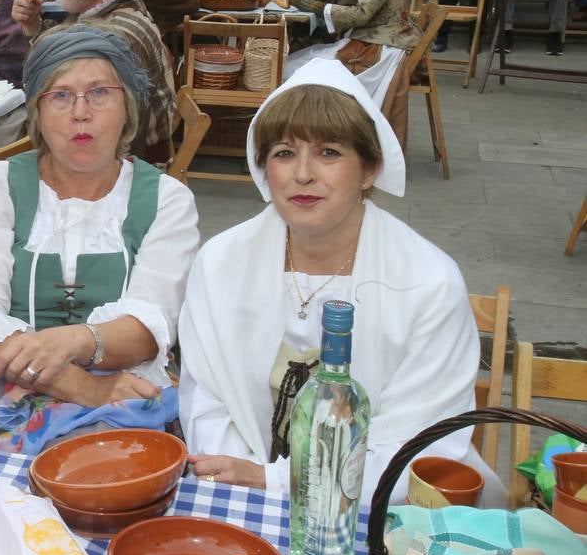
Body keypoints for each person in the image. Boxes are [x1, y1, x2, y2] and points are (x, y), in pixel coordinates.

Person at [178, 58, 504, 506]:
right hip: (240, 494)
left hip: (382, 508)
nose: (303, 174)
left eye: (329, 152)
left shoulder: (428, 283)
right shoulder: (219, 265)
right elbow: (207, 402)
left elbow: (416, 449)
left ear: (370, 169)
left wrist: (274, 481)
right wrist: (242, 476)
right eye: (284, 153)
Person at [0, 24, 197, 449]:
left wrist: (76, 340)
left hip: (129, 387)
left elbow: (148, 328)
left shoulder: (167, 200)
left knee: (104, 476)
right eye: (60, 95)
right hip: (0, 385)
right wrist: (86, 389)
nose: (81, 112)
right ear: (36, 113)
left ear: (128, 108)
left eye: (100, 93)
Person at [12, 0, 177, 161]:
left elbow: (60, 81)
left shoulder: (117, 35)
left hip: (127, 165)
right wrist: (34, 26)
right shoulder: (108, 12)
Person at [286, 0, 417, 142]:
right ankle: (313, 137)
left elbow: (361, 13)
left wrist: (312, 6)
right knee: (291, 62)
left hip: (380, 47)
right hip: (362, 40)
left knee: (292, 68)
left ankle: (314, 138)